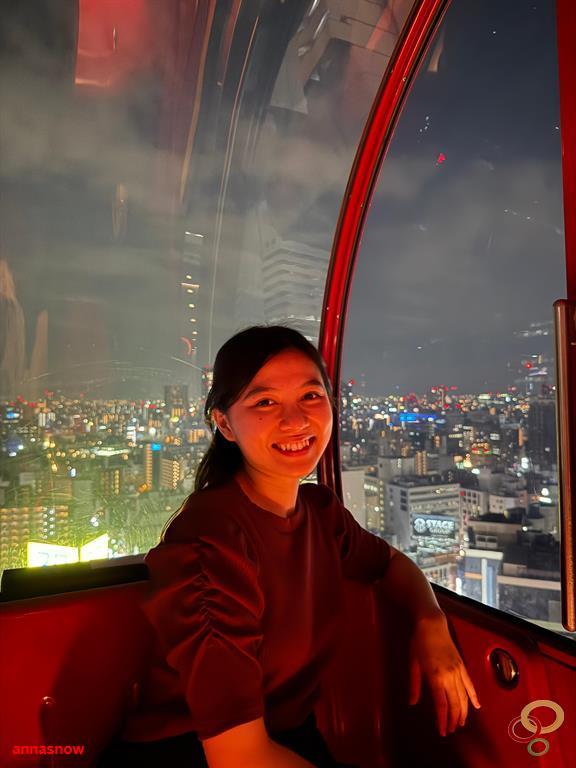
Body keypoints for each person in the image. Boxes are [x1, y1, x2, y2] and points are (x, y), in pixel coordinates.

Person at [97, 324, 481, 768]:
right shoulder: (210, 543)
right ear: (224, 423)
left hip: (288, 736)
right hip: (191, 752)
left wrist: (430, 622)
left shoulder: (320, 512)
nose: (296, 420)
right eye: (264, 402)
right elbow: (238, 756)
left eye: (310, 395)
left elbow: (389, 563)